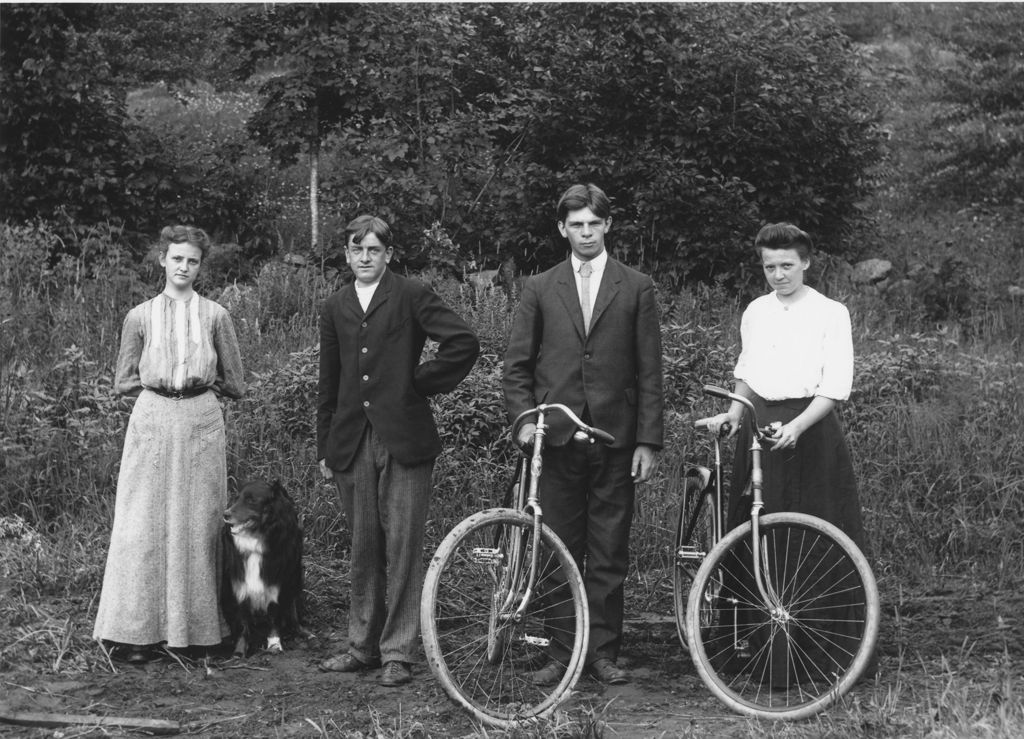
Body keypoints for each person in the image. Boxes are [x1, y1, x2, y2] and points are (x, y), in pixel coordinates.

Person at [502, 183, 664, 686]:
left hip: (616, 441)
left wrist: (647, 441)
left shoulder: (636, 287)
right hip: (554, 440)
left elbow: (650, 371)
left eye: (595, 223)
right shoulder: (539, 287)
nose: (586, 233)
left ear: (608, 225)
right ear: (562, 229)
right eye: (577, 224)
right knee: (557, 546)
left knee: (610, 549)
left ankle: (602, 653)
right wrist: (527, 422)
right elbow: (517, 367)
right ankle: (561, 651)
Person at [697, 222, 870, 677]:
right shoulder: (755, 310)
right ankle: (759, 650)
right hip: (759, 427)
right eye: (770, 266)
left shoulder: (832, 312)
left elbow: (835, 386)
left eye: (787, 265)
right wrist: (734, 414)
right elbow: (748, 369)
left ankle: (821, 654)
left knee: (812, 535)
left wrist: (796, 426)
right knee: (757, 533)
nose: (778, 275)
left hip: (811, 431)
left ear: (806, 263)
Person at [317, 215, 479, 687]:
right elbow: (329, 381)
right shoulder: (335, 306)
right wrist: (326, 447)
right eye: (356, 249)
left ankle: (398, 652)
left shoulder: (410, 294)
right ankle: (362, 646)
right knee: (363, 545)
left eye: (374, 250)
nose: (365, 257)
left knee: (404, 545)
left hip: (405, 438)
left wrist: (419, 382)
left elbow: (462, 341)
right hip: (351, 440)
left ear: (389, 254)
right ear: (346, 255)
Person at [94, 225, 245, 663]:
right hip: (152, 420)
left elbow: (235, 381)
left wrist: (200, 395)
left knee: (198, 523)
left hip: (200, 421)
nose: (184, 267)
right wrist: (159, 395)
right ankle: (137, 634)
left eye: (193, 260)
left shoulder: (216, 315)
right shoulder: (139, 316)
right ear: (162, 259)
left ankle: (199, 634)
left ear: (200, 266)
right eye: (177, 258)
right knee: (142, 523)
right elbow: (123, 380)